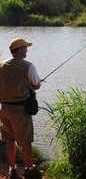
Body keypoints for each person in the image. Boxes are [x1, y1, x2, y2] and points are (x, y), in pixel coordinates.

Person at [0, 38, 41, 179]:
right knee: (25, 141)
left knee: (9, 140)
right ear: (19, 50)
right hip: (20, 111)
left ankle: (12, 169)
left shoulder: (1, 65)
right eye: (25, 47)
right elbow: (36, 84)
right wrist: (35, 86)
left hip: (4, 109)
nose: (27, 50)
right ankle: (30, 169)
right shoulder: (28, 66)